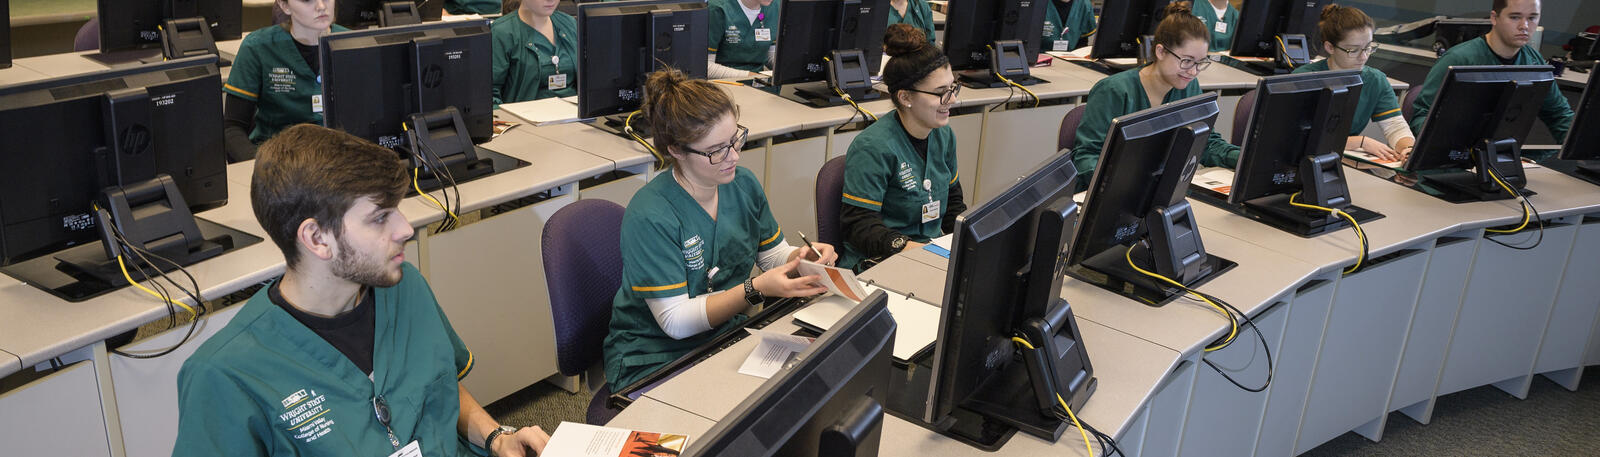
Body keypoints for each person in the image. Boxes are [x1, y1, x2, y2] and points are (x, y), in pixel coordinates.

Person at [172, 124, 550, 456]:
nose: (405, 228)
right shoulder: (224, 376)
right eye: (380, 217)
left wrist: (496, 437)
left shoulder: (405, 287)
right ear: (317, 238)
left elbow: (439, 386)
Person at [603, 68, 838, 390]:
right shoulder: (651, 215)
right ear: (676, 150)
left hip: (726, 336)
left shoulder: (742, 184)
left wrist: (802, 258)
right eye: (716, 150)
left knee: (809, 385)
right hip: (656, 355)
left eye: (735, 139)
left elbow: (772, 257)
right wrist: (755, 289)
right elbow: (675, 322)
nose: (734, 156)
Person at [838, 24, 966, 272]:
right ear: (905, 97)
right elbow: (859, 226)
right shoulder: (873, 147)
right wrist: (912, 251)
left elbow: (953, 203)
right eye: (941, 92)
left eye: (953, 88)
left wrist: (963, 249)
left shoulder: (944, 135)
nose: (952, 99)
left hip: (929, 255)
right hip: (880, 263)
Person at [1072, 2, 1241, 184]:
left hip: (1157, 187)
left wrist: (1242, 158)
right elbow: (1087, 158)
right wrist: (1124, 183)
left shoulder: (1189, 87)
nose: (1193, 71)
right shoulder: (1113, 91)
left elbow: (1205, 143)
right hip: (1109, 191)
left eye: (1200, 63)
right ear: (1160, 51)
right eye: (1186, 61)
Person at [1409, 0, 1573, 149]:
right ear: (1494, 18)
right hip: (1454, 155)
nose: (1524, 26)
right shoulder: (1459, 58)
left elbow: (1559, 115)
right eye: (1515, 17)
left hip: (1503, 155)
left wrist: (1577, 147)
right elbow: (1422, 116)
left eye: (1532, 18)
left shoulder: (1533, 62)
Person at [223, 0, 349, 163]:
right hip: (276, 161)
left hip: (341, 161)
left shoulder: (355, 43)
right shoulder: (258, 47)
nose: (321, 6)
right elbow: (232, 128)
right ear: (285, 6)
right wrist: (259, 168)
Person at [1292, 5, 1414, 162]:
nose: (1363, 57)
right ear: (1330, 47)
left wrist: (1407, 149)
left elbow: (1395, 126)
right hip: (1302, 161)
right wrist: (1359, 142)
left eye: (1368, 47)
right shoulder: (1303, 78)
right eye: (1353, 50)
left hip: (1343, 158)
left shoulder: (1375, 80)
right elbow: (1295, 137)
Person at [491, 0, 578, 104]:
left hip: (574, 111)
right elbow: (489, 95)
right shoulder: (501, 32)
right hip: (524, 112)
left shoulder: (569, 23)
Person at [706, 0, 782, 79]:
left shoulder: (776, 6)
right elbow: (706, 67)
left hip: (759, 81)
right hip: (724, 82)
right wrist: (751, 76)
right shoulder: (717, 9)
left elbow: (771, 54)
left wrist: (785, 67)